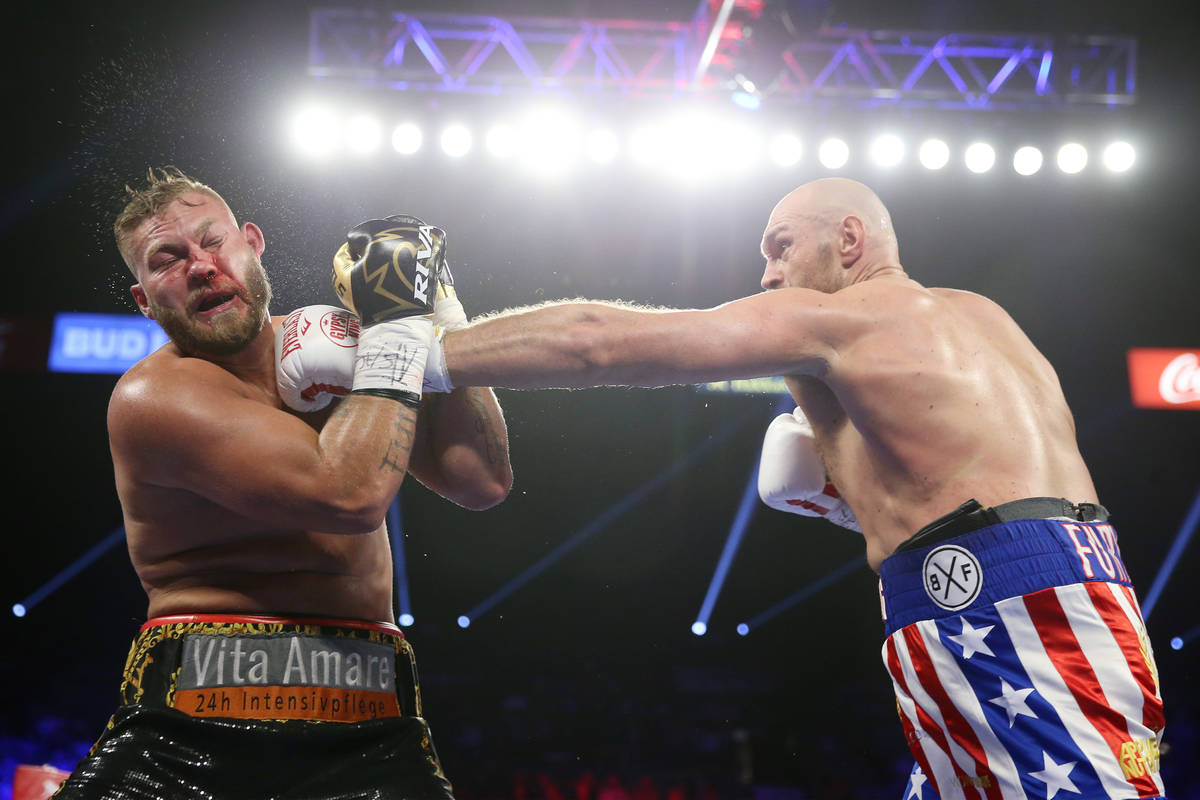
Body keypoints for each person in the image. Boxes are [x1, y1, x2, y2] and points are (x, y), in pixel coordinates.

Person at [426, 178, 1167, 798]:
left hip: (1013, 620)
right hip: (1029, 593)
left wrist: (415, 353)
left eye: (780, 246)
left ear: (849, 241)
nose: (767, 275)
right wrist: (853, 502)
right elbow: (991, 495)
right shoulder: (981, 319)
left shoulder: (843, 320)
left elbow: (598, 342)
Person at [55, 168, 513, 800]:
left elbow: (479, 480)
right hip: (185, 738)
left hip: (372, 728)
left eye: (212, 242)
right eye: (169, 258)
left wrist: (436, 306)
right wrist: (394, 329)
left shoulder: (332, 348)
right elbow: (347, 497)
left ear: (252, 243)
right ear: (145, 299)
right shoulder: (152, 396)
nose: (200, 266)